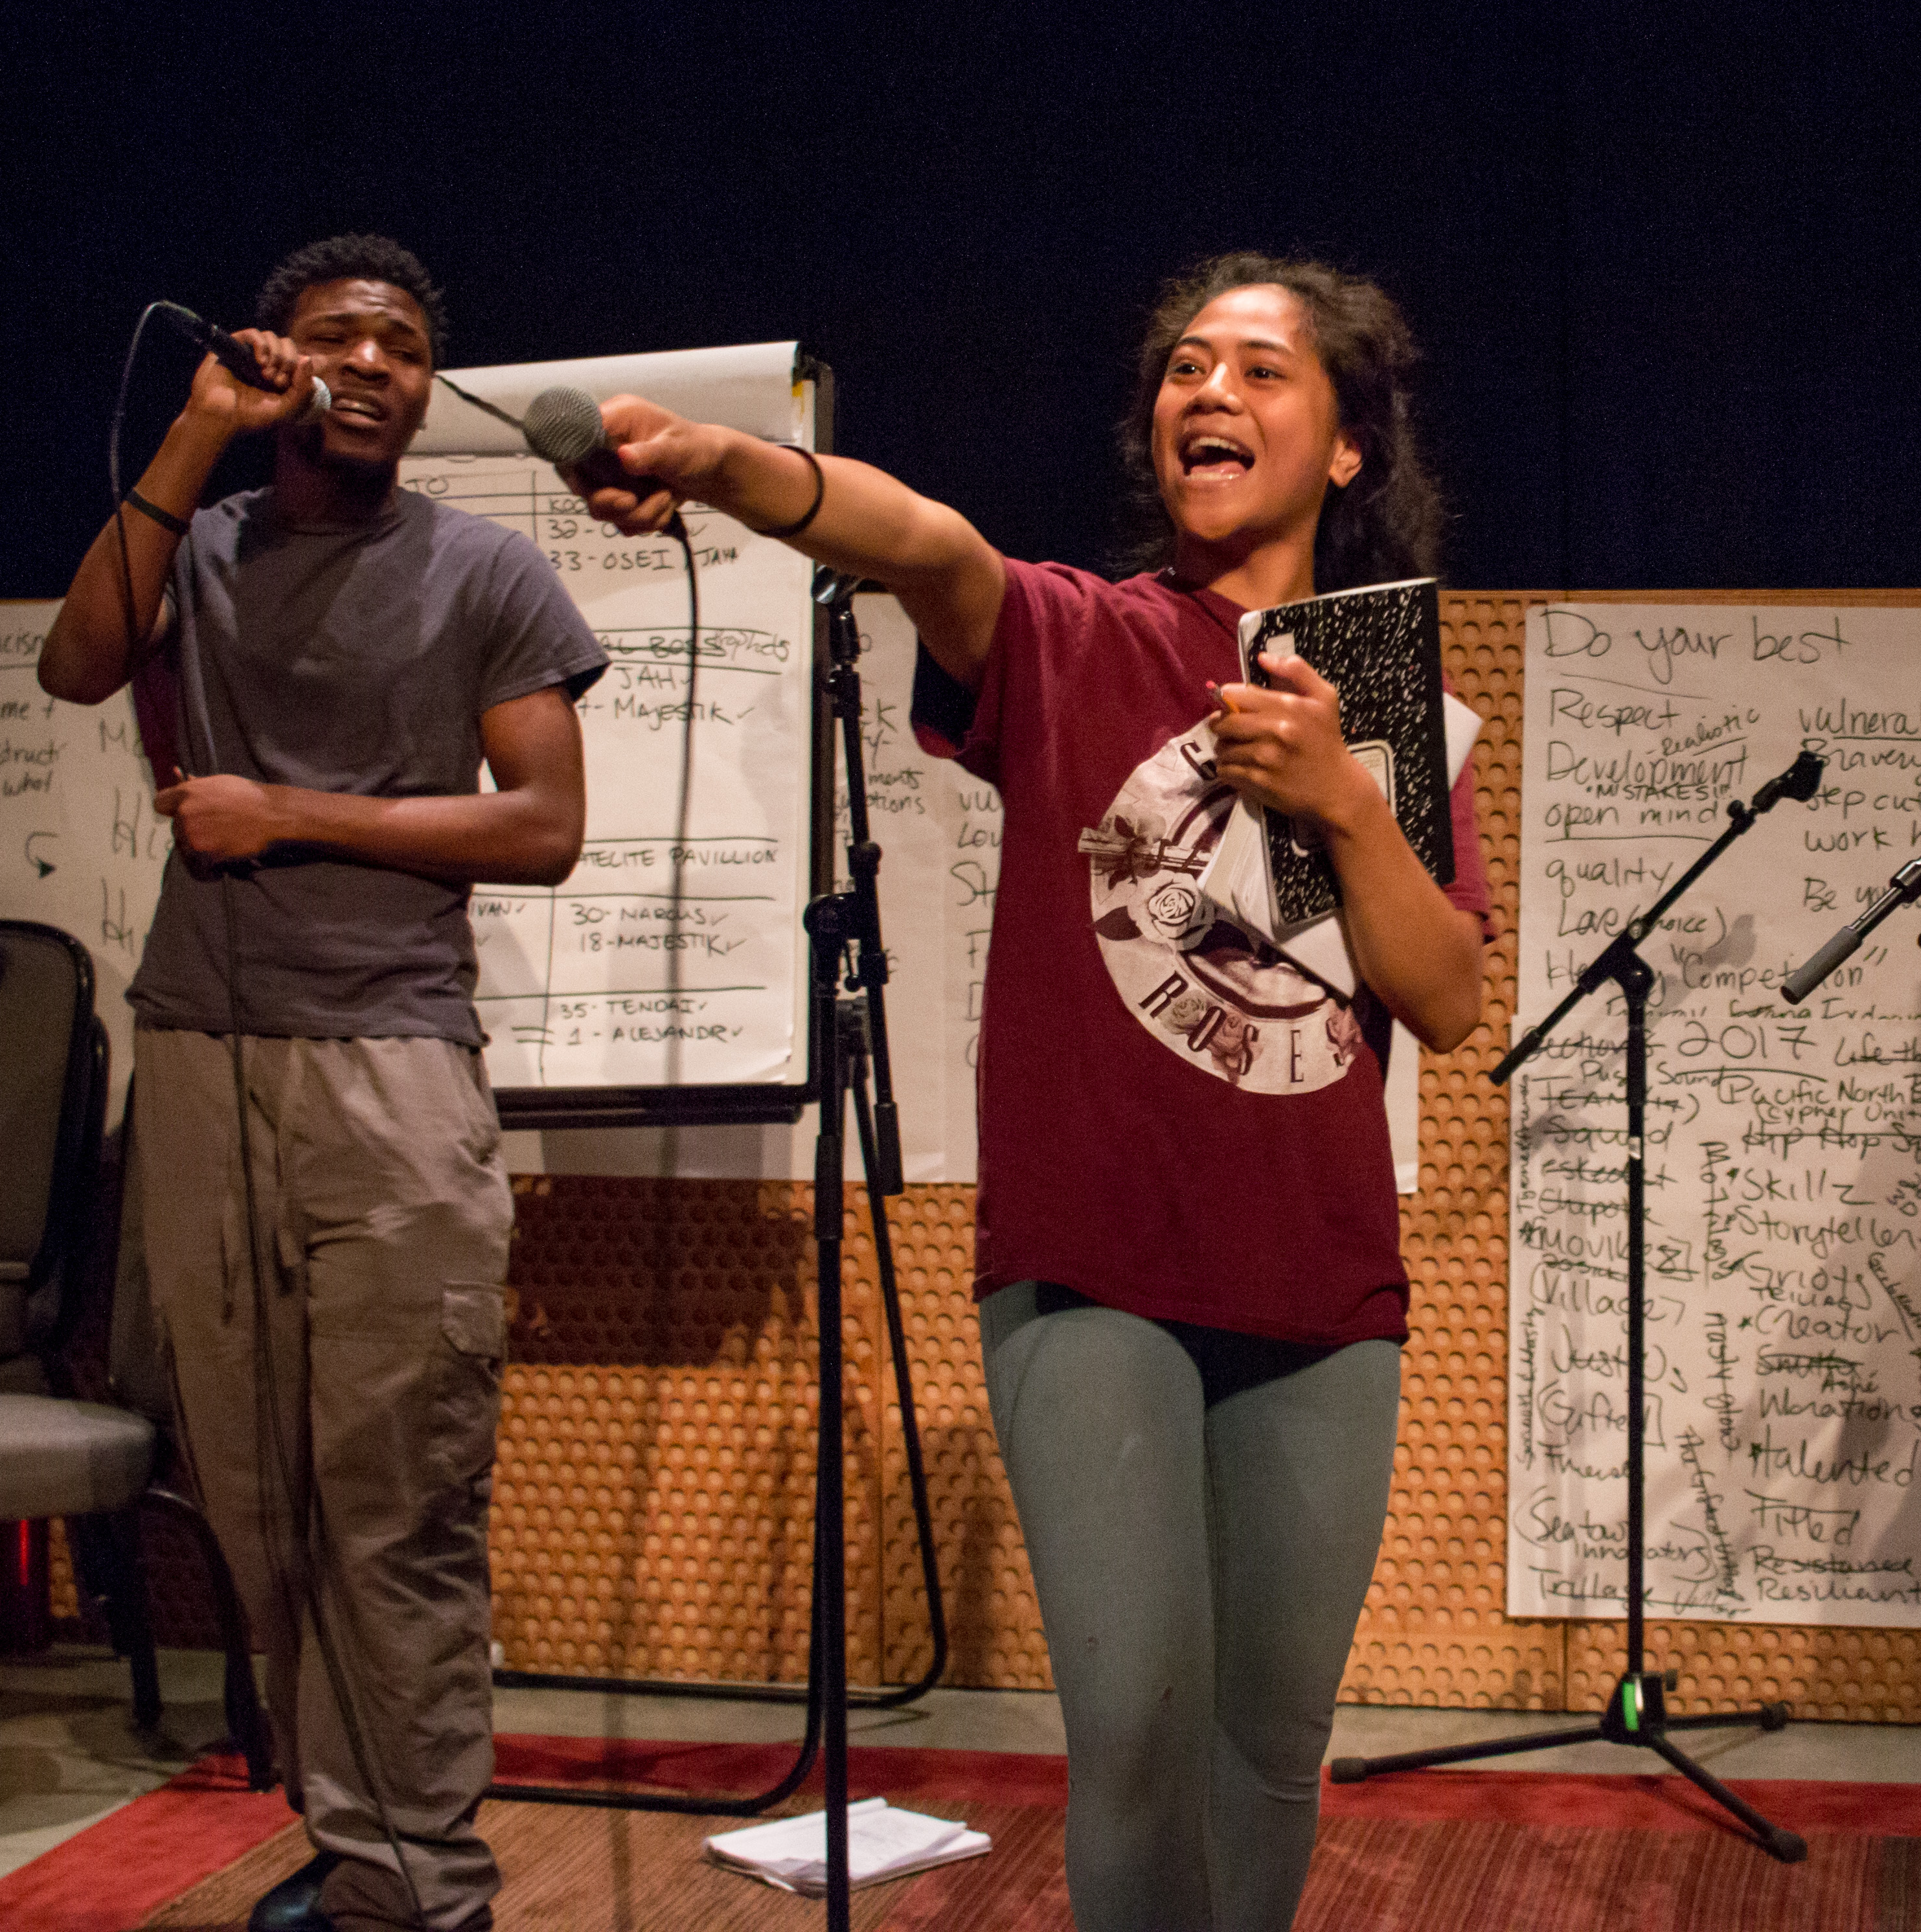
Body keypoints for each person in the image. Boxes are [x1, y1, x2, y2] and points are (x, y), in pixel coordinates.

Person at [570, 252, 1489, 1931]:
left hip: (1324, 1287)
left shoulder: (1374, 700)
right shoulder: (1082, 637)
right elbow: (924, 543)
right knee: (1135, 1730)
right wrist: (720, 462)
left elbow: (1441, 995)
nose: (1207, 393)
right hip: (1094, 1272)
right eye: (1184, 367)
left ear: (1349, 444)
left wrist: (1349, 802)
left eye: (1259, 370)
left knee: (1269, 1746)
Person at [38, 235, 605, 1932]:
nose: (372, 364)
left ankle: (423, 1887)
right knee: (253, 1493)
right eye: (337, 336)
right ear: (272, 354)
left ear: (428, 392)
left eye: (404, 347)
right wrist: (198, 428)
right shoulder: (196, 543)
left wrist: (284, 813)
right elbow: (77, 663)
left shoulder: (487, 571)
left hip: (391, 1067)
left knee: (398, 1494)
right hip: (201, 1059)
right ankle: (362, 1854)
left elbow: (543, 827)